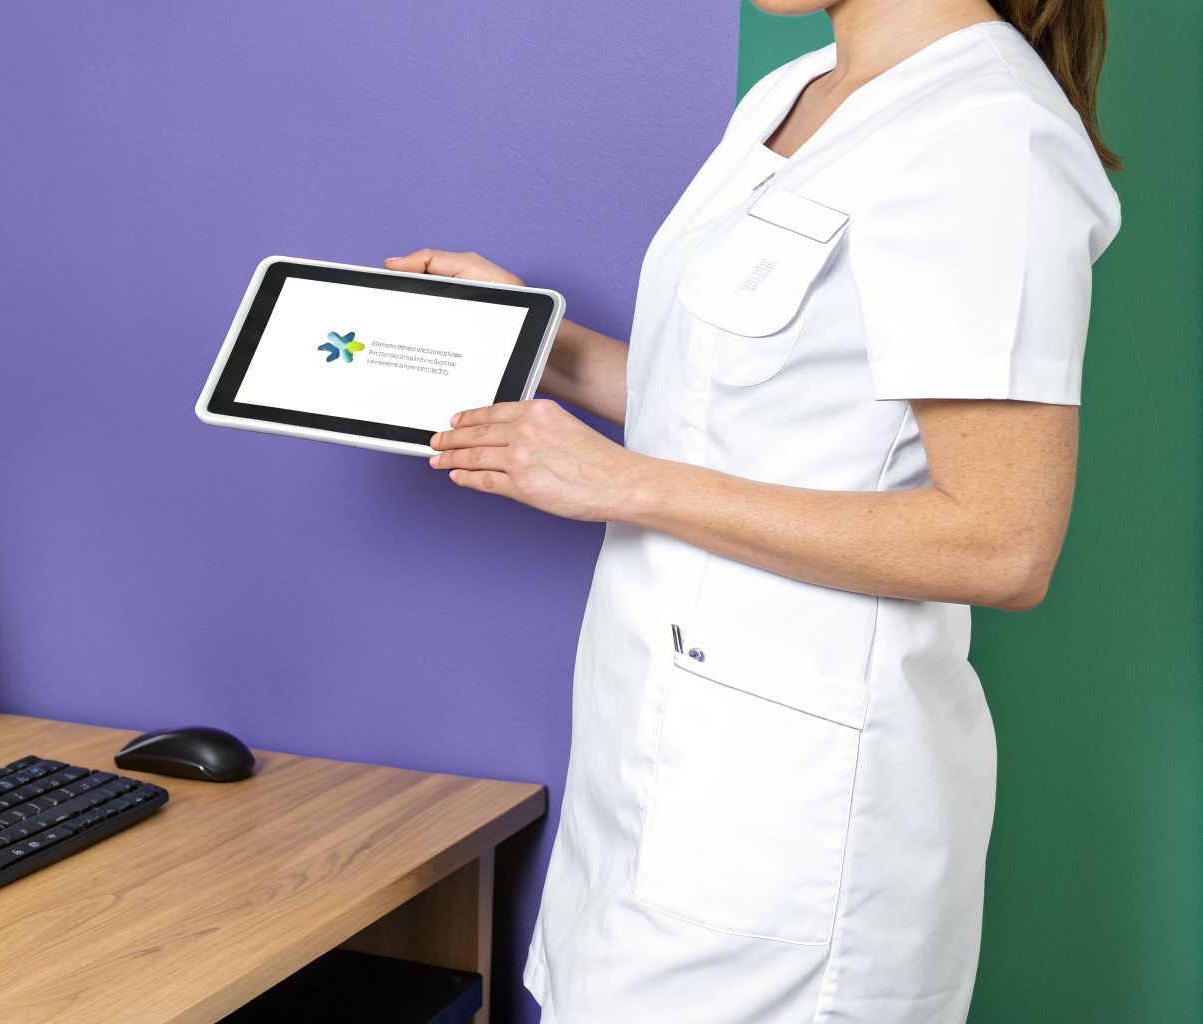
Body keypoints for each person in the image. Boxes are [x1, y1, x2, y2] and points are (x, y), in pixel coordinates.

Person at [387, 0, 1121, 1019]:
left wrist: (624, 483)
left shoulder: (987, 136)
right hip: (648, 770)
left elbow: (1001, 542)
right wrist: (540, 345)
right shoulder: (796, 91)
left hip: (796, 825)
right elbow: (734, 404)